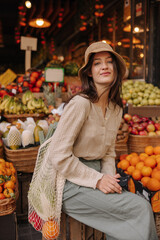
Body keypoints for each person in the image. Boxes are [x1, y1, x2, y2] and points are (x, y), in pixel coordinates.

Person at [47, 41, 158, 240]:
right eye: (97, 63)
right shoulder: (81, 104)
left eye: (109, 62)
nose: (104, 66)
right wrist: (97, 180)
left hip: (97, 174)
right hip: (70, 182)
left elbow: (108, 152)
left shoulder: (116, 109)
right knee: (139, 208)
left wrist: (109, 179)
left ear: (115, 68)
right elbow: (58, 155)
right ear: (90, 72)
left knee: (130, 208)